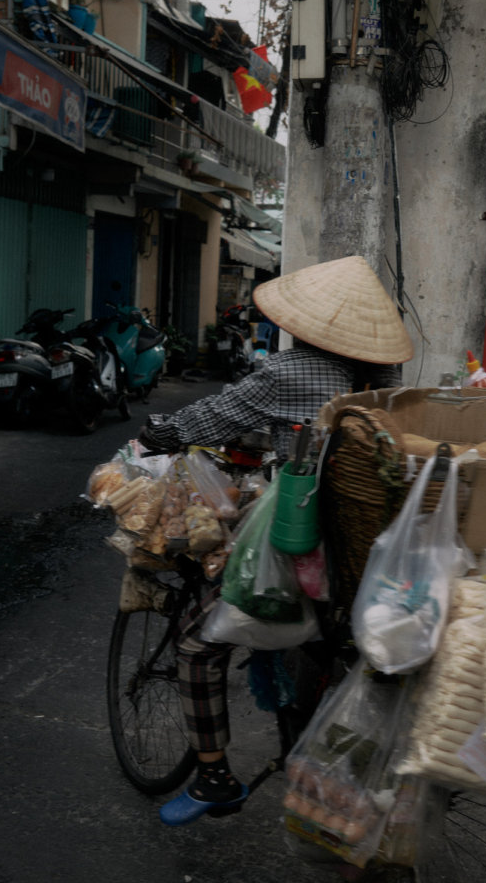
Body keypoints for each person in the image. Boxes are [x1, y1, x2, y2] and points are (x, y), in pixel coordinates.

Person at [139, 254, 414, 826]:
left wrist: (160, 431)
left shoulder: (293, 372)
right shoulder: (384, 382)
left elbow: (214, 416)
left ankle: (214, 777)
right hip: (371, 548)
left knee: (198, 648)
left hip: (306, 545)